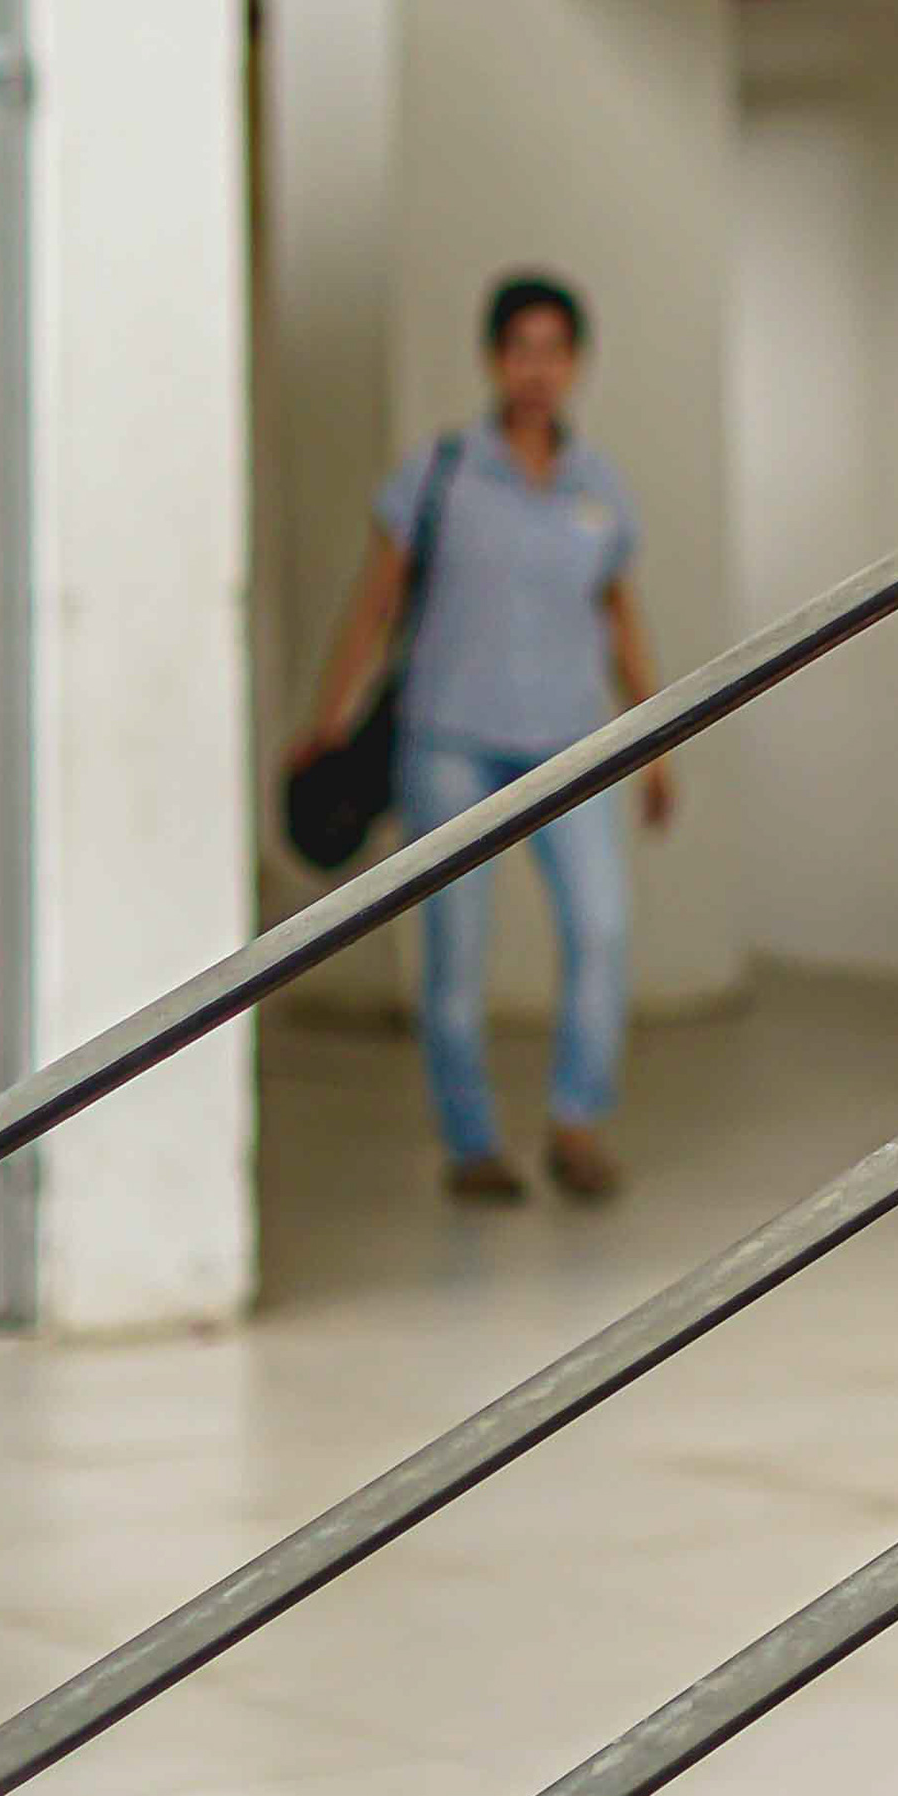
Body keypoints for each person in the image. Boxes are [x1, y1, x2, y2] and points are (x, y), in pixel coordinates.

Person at [289, 273, 670, 1206]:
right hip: (450, 742)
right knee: (456, 952)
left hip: (572, 747)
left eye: (554, 351)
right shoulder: (444, 471)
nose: (537, 370)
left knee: (603, 928)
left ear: (576, 364)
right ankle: (471, 1144)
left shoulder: (599, 488)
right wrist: (328, 721)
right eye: (520, 350)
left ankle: (577, 1123)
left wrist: (657, 740)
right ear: (494, 360)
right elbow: (376, 603)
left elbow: (620, 618)